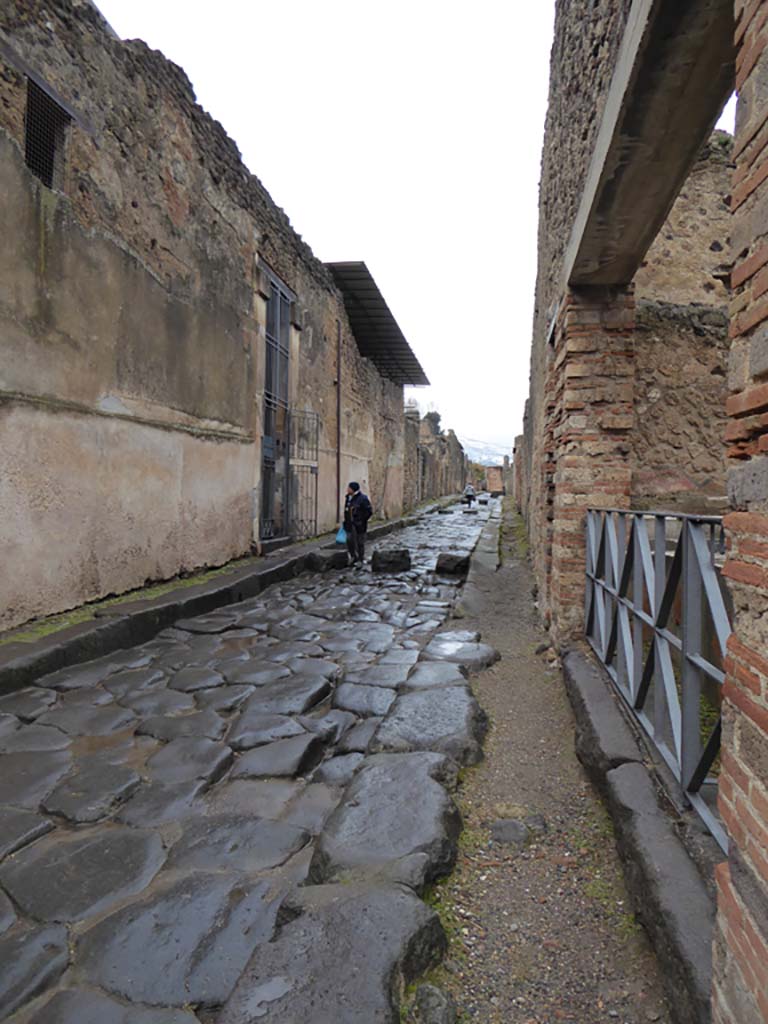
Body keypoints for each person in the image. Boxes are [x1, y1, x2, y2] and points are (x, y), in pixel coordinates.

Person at [343, 481, 373, 566]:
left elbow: (369, 511)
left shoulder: (362, 498)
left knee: (360, 542)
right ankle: (353, 556)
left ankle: (361, 558)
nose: (347, 489)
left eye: (349, 488)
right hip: (349, 524)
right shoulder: (348, 498)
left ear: (353, 489)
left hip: (359, 525)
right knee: (349, 541)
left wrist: (361, 520)